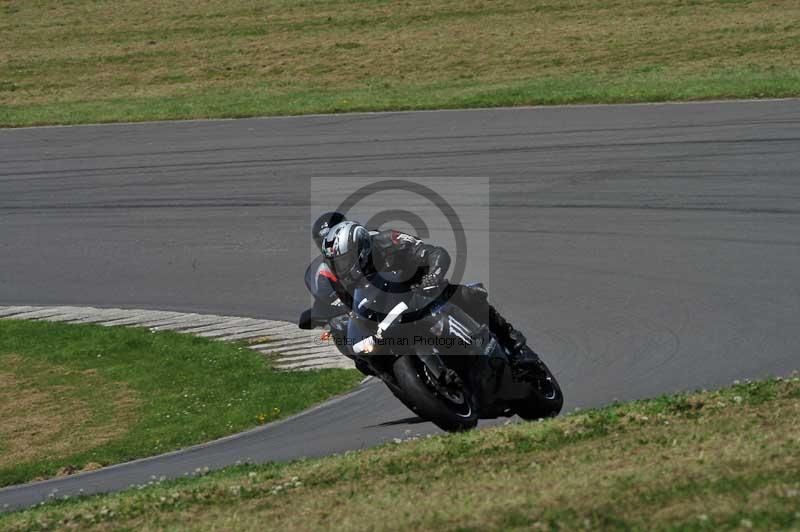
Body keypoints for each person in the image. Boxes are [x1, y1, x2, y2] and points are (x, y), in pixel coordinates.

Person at [317, 218, 542, 377]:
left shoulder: (388, 240)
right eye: (337, 262)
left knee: (467, 294)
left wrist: (433, 275)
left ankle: (511, 342)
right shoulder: (338, 277)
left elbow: (434, 252)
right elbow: (339, 307)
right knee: (357, 347)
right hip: (387, 314)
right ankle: (401, 377)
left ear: (361, 247)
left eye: (345, 260)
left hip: (421, 289)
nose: (342, 266)